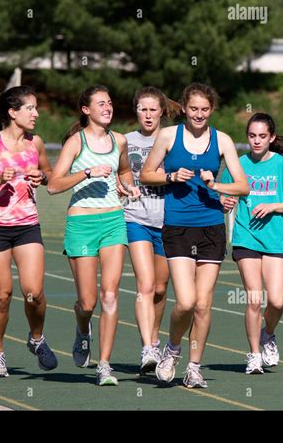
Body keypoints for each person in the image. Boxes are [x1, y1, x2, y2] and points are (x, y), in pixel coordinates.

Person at [140, 82, 249, 388]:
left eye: (205, 109)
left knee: (203, 304)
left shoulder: (223, 140)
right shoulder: (168, 136)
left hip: (212, 226)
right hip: (177, 225)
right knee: (185, 302)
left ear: (211, 110)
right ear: (184, 109)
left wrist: (216, 185)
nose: (199, 114)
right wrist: (171, 176)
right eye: (194, 109)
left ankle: (194, 366)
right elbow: (146, 174)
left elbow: (242, 186)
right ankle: (172, 349)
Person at [48, 85, 140, 386]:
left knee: (110, 295)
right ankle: (82, 329)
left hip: (113, 220)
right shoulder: (76, 142)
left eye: (110, 102)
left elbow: (124, 171)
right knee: (87, 303)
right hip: (82, 224)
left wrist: (129, 186)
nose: (108, 107)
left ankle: (104, 365)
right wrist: (87, 173)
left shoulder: (120, 140)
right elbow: (53, 185)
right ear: (86, 110)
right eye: (101, 103)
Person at [0, 85, 58, 378]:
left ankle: (36, 338)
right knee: (2, 295)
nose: (36, 113)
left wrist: (42, 176)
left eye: (36, 108)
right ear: (12, 112)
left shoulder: (36, 143)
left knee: (34, 293)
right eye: (30, 108)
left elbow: (52, 174)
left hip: (27, 225)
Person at [220, 112, 283, 375]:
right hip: (246, 238)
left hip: (274, 241)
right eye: (251, 136)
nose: (256, 141)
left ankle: (267, 334)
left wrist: (274, 205)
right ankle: (254, 354)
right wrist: (224, 201)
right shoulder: (238, 165)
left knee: (277, 302)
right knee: (254, 298)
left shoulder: (282, 165)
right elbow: (223, 195)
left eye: (261, 136)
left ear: (270, 138)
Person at [119, 87, 181, 374]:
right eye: (142, 109)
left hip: (168, 220)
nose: (147, 114)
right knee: (144, 285)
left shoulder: (173, 140)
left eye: (152, 109)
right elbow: (115, 173)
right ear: (136, 111)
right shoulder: (125, 141)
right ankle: (147, 347)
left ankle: (154, 341)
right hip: (136, 218)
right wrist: (119, 186)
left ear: (161, 112)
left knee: (159, 288)